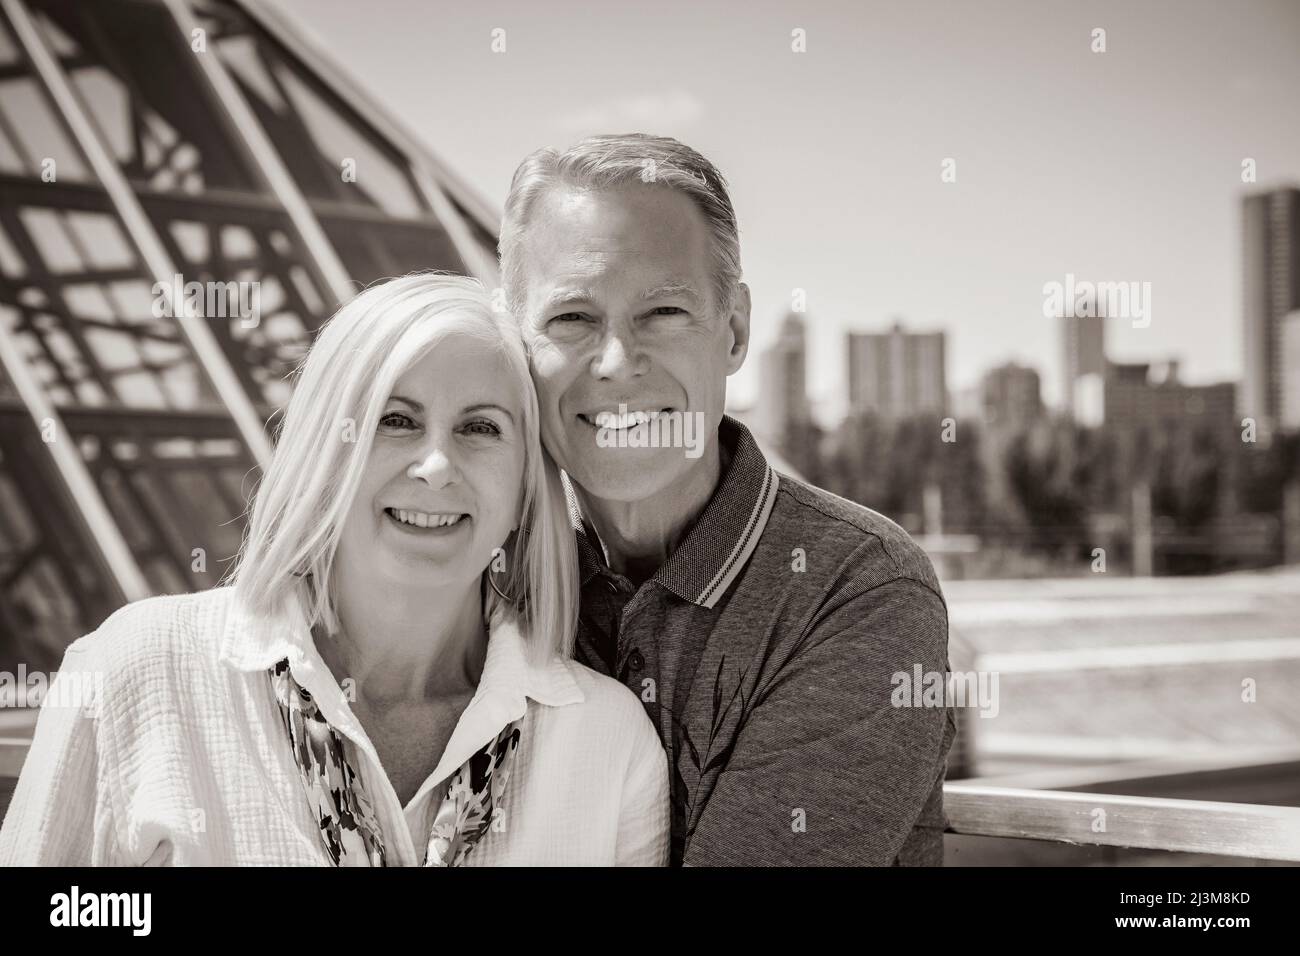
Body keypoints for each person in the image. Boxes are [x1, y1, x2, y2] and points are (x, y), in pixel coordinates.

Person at [0, 274, 668, 866]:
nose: (436, 465)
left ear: (526, 487)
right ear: (327, 454)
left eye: (481, 428)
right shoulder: (134, 674)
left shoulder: (606, 744)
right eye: (396, 420)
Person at [499, 134, 957, 866]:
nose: (616, 362)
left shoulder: (858, 590)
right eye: (572, 318)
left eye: (663, 313)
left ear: (735, 330)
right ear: (516, 344)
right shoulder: (483, 572)